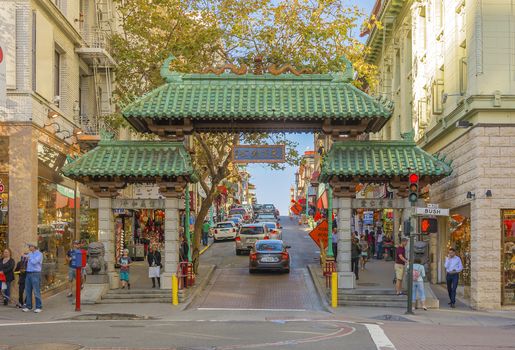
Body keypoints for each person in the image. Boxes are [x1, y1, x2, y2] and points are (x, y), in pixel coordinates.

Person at [23, 242, 43, 313]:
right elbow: (25, 261)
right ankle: (28, 306)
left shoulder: (39, 254)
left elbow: (34, 262)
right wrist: (24, 258)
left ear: (34, 247)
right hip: (28, 273)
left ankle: (39, 307)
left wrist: (29, 257)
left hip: (35, 273)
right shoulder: (30, 254)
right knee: (28, 290)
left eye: (30, 246)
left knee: (36, 291)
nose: (29, 247)